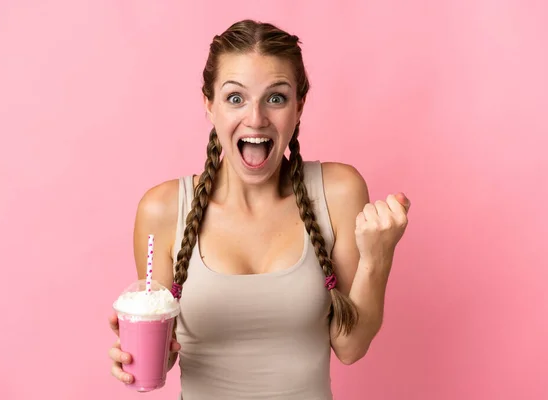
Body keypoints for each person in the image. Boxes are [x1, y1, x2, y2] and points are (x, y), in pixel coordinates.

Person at [108, 19, 410, 399]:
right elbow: (162, 358)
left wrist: (377, 257)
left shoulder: (338, 192)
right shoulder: (163, 209)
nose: (256, 118)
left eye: (276, 98)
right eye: (236, 98)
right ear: (209, 105)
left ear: (299, 106)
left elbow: (350, 347)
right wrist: (136, 353)